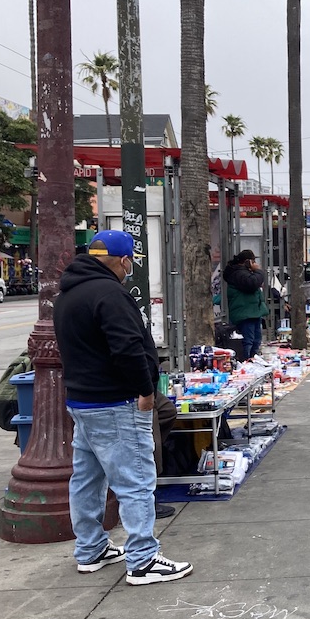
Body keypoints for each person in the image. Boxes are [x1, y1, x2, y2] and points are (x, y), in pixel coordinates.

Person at [54, 230, 192, 585]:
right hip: (115, 401)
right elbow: (128, 348)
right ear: (122, 259)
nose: (131, 266)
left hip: (83, 401)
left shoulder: (69, 292)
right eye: (130, 260)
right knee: (135, 481)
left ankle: (91, 548)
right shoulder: (110, 294)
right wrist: (145, 390)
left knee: (87, 478)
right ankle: (143, 559)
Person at [224, 249, 268, 359]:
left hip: (252, 312)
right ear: (247, 261)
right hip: (245, 313)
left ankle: (252, 360)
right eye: (253, 261)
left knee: (256, 341)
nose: (255, 264)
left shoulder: (242, 273)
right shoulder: (238, 273)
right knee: (248, 342)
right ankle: (246, 361)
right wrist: (258, 271)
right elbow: (252, 283)